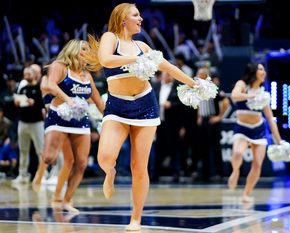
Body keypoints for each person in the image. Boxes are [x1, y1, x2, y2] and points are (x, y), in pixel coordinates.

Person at [86, 3, 197, 231]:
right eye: (136, 15)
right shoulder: (111, 38)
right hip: (117, 107)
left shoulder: (143, 47)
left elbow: (168, 67)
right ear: (123, 18)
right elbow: (105, 60)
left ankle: (135, 218)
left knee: (139, 166)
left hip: (146, 105)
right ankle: (111, 172)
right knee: (105, 158)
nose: (141, 19)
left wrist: (194, 83)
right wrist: (135, 61)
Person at [33, 39, 104, 212]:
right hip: (58, 116)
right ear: (74, 50)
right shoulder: (60, 66)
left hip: (80, 122)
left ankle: (66, 200)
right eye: (84, 49)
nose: (88, 52)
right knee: (50, 157)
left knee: (80, 163)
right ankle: (39, 174)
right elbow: (49, 84)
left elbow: (98, 102)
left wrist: (112, 119)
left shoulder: (87, 76)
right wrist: (68, 100)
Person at [229, 62, 282, 202]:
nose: (263, 72)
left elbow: (270, 120)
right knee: (237, 153)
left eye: (264, 69)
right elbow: (234, 95)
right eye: (260, 69)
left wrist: (279, 141)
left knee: (257, 164)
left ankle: (246, 193)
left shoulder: (263, 94)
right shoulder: (242, 84)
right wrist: (251, 97)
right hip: (242, 127)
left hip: (258, 129)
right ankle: (235, 171)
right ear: (252, 71)